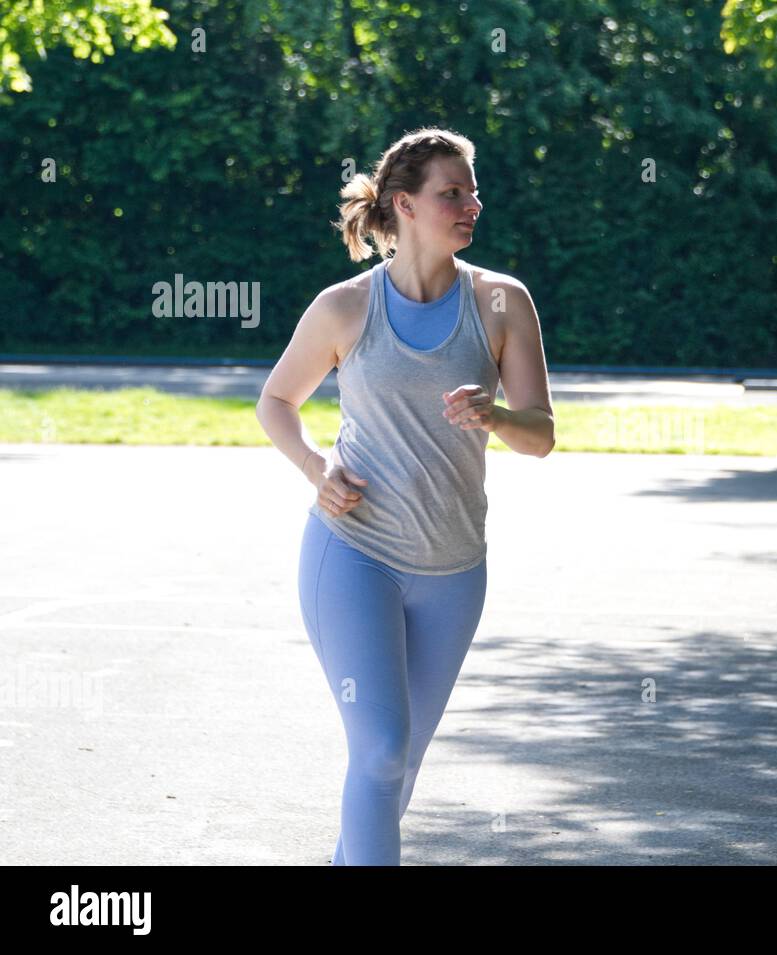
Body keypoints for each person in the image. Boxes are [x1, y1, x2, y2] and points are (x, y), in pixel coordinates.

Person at [255, 126, 556, 865]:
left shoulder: (502, 303)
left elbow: (540, 433)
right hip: (355, 552)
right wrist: (314, 466)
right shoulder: (347, 308)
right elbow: (276, 402)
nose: (472, 204)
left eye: (473, 190)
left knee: (403, 759)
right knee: (383, 747)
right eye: (452, 191)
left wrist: (496, 416)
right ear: (405, 204)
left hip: (454, 567)